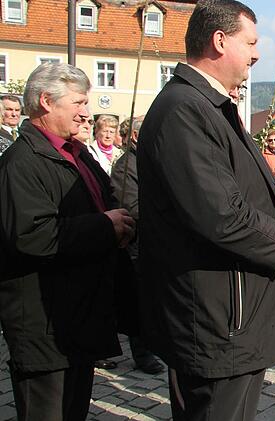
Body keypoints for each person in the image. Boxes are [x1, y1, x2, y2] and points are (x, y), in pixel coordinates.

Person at [137, 2, 275, 420]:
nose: (256, 54)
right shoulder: (185, 109)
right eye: (250, 42)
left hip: (230, 315)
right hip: (215, 320)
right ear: (219, 41)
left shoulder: (207, 105)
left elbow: (228, 191)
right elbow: (219, 215)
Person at [0, 63, 135, 421]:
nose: (86, 113)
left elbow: (105, 204)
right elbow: (32, 235)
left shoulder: (77, 154)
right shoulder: (22, 162)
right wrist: (105, 227)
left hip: (78, 320)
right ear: (46, 101)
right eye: (78, 102)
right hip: (43, 328)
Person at [110, 116, 165, 374]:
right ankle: (142, 353)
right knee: (140, 302)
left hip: (157, 243)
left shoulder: (150, 159)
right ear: (134, 136)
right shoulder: (125, 167)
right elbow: (131, 207)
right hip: (138, 245)